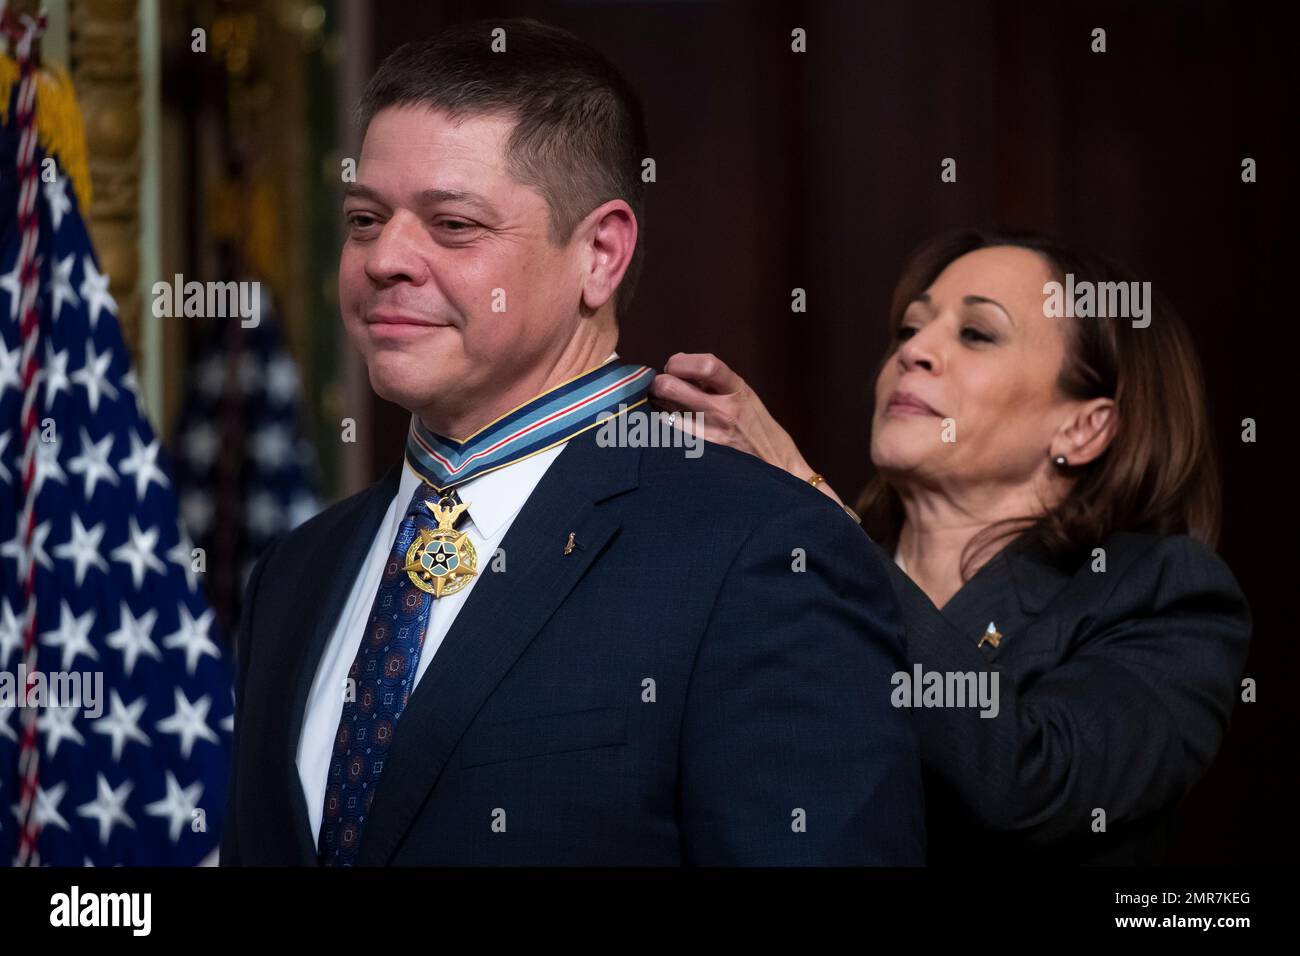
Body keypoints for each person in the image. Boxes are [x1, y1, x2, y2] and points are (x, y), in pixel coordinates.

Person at [219, 18, 923, 867]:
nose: (383, 260)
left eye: (453, 226)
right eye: (366, 219)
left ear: (600, 252)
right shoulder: (298, 571)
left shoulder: (760, 553)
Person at [651, 229, 1252, 864]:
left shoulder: (1163, 590)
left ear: (1083, 426)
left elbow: (1028, 780)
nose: (916, 352)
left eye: (977, 334)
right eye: (910, 329)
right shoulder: (783, 573)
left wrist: (808, 498)